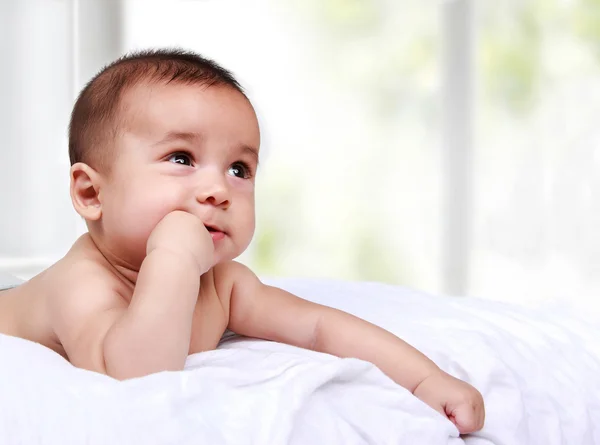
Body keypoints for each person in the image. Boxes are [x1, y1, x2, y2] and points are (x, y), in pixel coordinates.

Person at [0, 49, 484, 434]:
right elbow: (134, 375)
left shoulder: (223, 283)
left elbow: (317, 327)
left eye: (239, 169)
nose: (218, 190)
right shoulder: (82, 284)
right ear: (91, 193)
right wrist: (173, 260)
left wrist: (425, 378)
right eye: (182, 158)